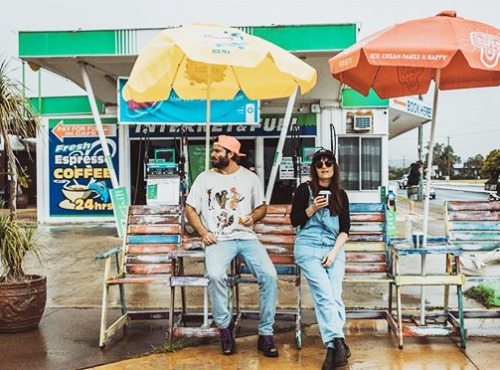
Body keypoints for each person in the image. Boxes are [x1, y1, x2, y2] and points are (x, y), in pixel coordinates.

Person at [185, 135, 279, 358]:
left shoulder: (250, 178)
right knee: (216, 275)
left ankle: (266, 334)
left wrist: (252, 217)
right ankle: (225, 329)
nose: (213, 154)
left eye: (218, 151)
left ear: (232, 155)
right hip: (219, 239)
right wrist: (203, 233)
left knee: (270, 276)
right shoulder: (204, 178)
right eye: (214, 150)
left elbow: (262, 207)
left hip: (247, 237)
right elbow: (189, 208)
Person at [290, 148, 351, 369]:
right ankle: (337, 341)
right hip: (308, 248)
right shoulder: (303, 190)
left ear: (334, 167)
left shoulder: (341, 195)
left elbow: (345, 230)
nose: (324, 167)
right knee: (324, 294)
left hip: (333, 248)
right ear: (314, 169)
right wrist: (313, 207)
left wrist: (334, 252)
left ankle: (334, 347)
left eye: (328, 163)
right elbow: (294, 220)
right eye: (319, 164)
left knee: (335, 295)